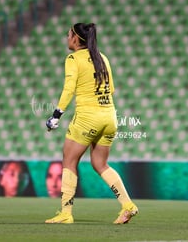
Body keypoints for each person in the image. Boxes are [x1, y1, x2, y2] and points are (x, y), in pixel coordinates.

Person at [45, 23, 138, 224]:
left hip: (88, 117)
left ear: (76, 39)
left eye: (69, 34)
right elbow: (111, 90)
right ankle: (128, 205)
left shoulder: (72, 58)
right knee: (100, 164)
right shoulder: (102, 57)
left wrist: (56, 115)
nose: (67, 37)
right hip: (110, 117)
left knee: (69, 161)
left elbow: (69, 88)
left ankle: (65, 213)